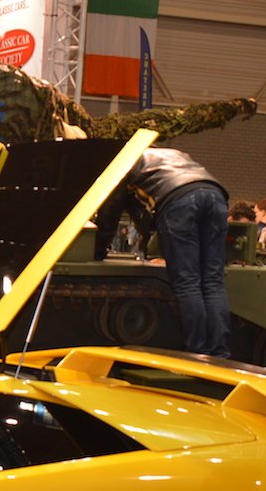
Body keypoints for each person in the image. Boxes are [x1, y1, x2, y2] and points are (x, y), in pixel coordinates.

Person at [96, 147, 232, 357]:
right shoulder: (171, 153)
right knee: (213, 282)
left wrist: (98, 247)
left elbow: (110, 210)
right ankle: (219, 352)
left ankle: (197, 351)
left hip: (177, 199)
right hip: (215, 193)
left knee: (188, 282)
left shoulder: (123, 163)